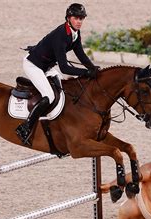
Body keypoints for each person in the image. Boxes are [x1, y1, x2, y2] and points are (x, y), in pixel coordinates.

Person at [16, 3, 99, 146]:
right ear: (68, 18)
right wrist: (86, 72)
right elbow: (65, 68)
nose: (79, 21)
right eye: (76, 18)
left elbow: (80, 54)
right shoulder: (61, 35)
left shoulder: (75, 33)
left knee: (63, 91)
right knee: (49, 96)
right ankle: (25, 127)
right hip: (34, 65)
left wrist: (93, 68)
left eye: (81, 18)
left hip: (46, 66)